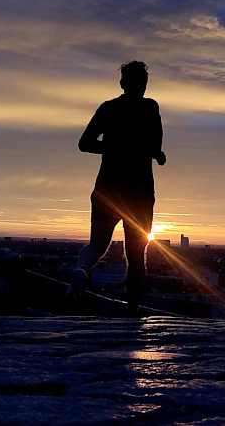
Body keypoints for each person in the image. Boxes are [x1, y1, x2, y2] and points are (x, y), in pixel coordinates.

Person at [68, 61, 166, 312]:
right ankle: (132, 312)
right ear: (142, 84)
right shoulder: (150, 108)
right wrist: (154, 154)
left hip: (107, 190)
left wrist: (112, 149)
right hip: (140, 193)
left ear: (122, 84)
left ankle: (81, 269)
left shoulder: (108, 109)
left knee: (97, 246)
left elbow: (84, 143)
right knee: (135, 256)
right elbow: (156, 146)